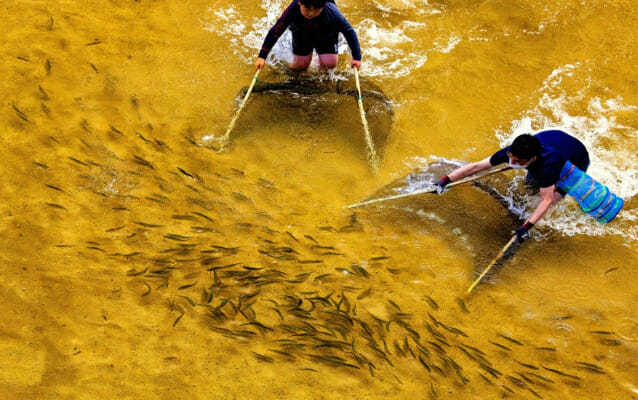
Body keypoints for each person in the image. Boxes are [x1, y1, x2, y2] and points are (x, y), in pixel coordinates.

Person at [435, 129, 590, 242]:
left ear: (533, 158)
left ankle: (533, 222)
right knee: (530, 186)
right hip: (555, 141)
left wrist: (527, 227)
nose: (512, 163)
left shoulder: (549, 164)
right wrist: (446, 180)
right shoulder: (511, 152)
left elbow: (546, 200)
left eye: (518, 162)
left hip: (576, 160)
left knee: (553, 197)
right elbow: (477, 166)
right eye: (511, 159)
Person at [255, 0, 362, 71]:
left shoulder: (333, 13)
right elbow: (276, 30)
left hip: (326, 33)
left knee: (329, 65)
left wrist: (356, 58)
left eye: (316, 9)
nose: (311, 13)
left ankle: (320, 60)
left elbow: (350, 32)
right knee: (300, 66)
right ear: (299, 2)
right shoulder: (293, 10)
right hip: (302, 33)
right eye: (307, 8)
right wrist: (262, 56)